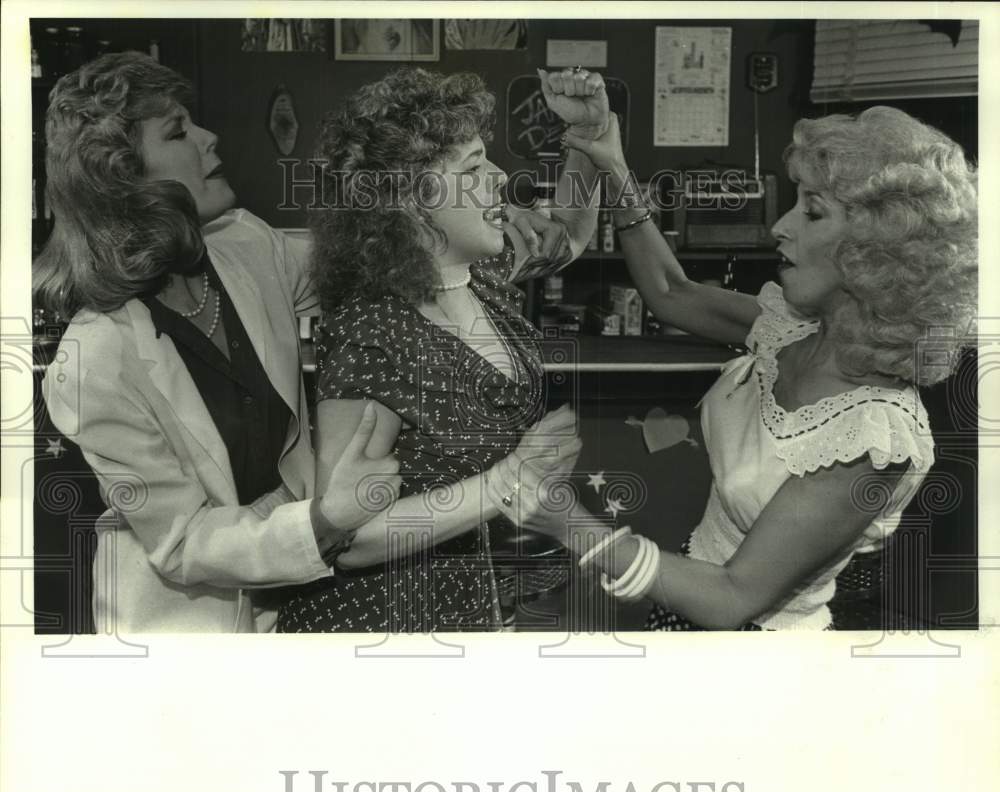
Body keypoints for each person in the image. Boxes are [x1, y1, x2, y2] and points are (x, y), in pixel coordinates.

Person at [486, 106, 977, 630]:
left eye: (812, 212)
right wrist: (613, 165)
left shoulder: (873, 436)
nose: (779, 227)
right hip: (687, 594)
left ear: (875, 252)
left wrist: (567, 522)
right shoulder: (794, 327)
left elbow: (732, 599)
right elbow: (672, 292)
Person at [35, 52, 409, 633]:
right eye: (179, 131)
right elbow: (183, 541)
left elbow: (374, 264)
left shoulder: (244, 245)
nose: (209, 138)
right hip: (187, 627)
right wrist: (325, 519)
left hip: (298, 595)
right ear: (122, 177)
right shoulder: (94, 362)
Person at [276, 66, 607, 632]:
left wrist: (587, 139)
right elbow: (345, 535)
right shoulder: (372, 331)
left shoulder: (484, 276)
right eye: (474, 167)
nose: (500, 178)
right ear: (409, 199)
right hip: (382, 628)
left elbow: (570, 233)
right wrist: (510, 482)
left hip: (468, 607)